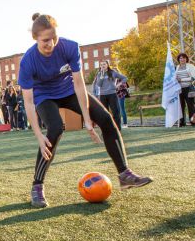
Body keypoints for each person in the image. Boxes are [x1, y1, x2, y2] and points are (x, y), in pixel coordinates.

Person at [18, 13, 152, 208]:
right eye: (46, 40)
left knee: (106, 118)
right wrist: (38, 135)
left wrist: (87, 119)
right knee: (55, 129)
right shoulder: (28, 61)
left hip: (69, 91)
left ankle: (125, 174)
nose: (51, 43)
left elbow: (79, 85)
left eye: (54, 37)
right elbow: (28, 102)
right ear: (35, 38)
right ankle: (37, 187)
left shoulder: (70, 47)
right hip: (44, 96)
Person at [95, 60, 127, 130]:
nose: (102, 66)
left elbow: (124, 78)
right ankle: (107, 130)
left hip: (112, 94)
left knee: (116, 112)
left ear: (107, 65)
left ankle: (118, 129)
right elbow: (99, 85)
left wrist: (118, 85)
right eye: (101, 65)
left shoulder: (113, 72)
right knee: (105, 113)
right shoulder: (99, 74)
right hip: (103, 95)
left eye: (104, 64)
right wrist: (102, 76)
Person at [175, 52, 195, 127]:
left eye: (183, 58)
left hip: (189, 88)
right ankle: (182, 122)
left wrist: (182, 80)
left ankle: (193, 121)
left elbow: (193, 78)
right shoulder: (177, 67)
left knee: (190, 105)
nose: (182, 59)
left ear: (186, 59)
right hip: (179, 89)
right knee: (181, 106)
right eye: (180, 58)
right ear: (178, 59)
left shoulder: (190, 66)